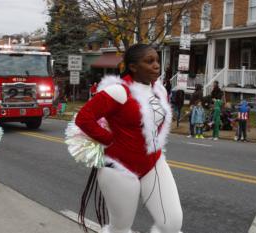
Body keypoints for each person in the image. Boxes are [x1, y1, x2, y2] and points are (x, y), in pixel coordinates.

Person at [74, 44, 182, 233]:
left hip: (153, 162)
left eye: (157, 60)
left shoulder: (160, 91)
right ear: (133, 66)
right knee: (121, 228)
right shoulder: (118, 91)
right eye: (149, 61)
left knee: (171, 224)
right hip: (119, 168)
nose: (157, 65)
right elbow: (84, 118)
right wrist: (107, 139)